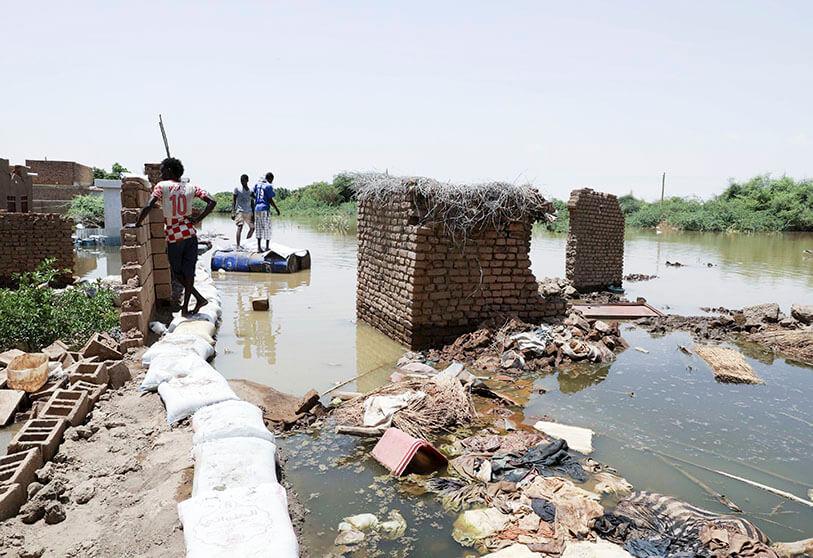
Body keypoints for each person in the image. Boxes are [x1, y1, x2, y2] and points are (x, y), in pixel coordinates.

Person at [131, 157, 216, 316]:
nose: (161, 173)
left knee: (177, 273)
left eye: (162, 170)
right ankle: (187, 307)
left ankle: (197, 299)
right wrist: (198, 219)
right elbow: (212, 201)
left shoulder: (161, 186)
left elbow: (150, 205)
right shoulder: (190, 187)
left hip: (174, 237)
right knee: (189, 273)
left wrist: (137, 223)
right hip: (190, 236)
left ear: (169, 170)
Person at [253, 172, 280, 251]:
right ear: (270, 178)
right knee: (267, 228)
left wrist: (258, 200)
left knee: (259, 228)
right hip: (264, 209)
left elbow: (252, 194)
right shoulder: (268, 186)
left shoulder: (257, 185)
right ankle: (267, 247)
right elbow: (270, 199)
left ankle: (259, 247)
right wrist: (276, 209)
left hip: (257, 209)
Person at [231, 173, 255, 249]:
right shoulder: (237, 189)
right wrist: (233, 211)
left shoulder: (251, 191)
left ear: (247, 181)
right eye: (241, 181)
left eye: (244, 181)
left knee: (252, 228)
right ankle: (238, 246)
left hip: (249, 211)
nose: (242, 182)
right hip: (240, 211)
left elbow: (252, 203)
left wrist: (253, 214)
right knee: (240, 227)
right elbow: (234, 201)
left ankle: (246, 243)